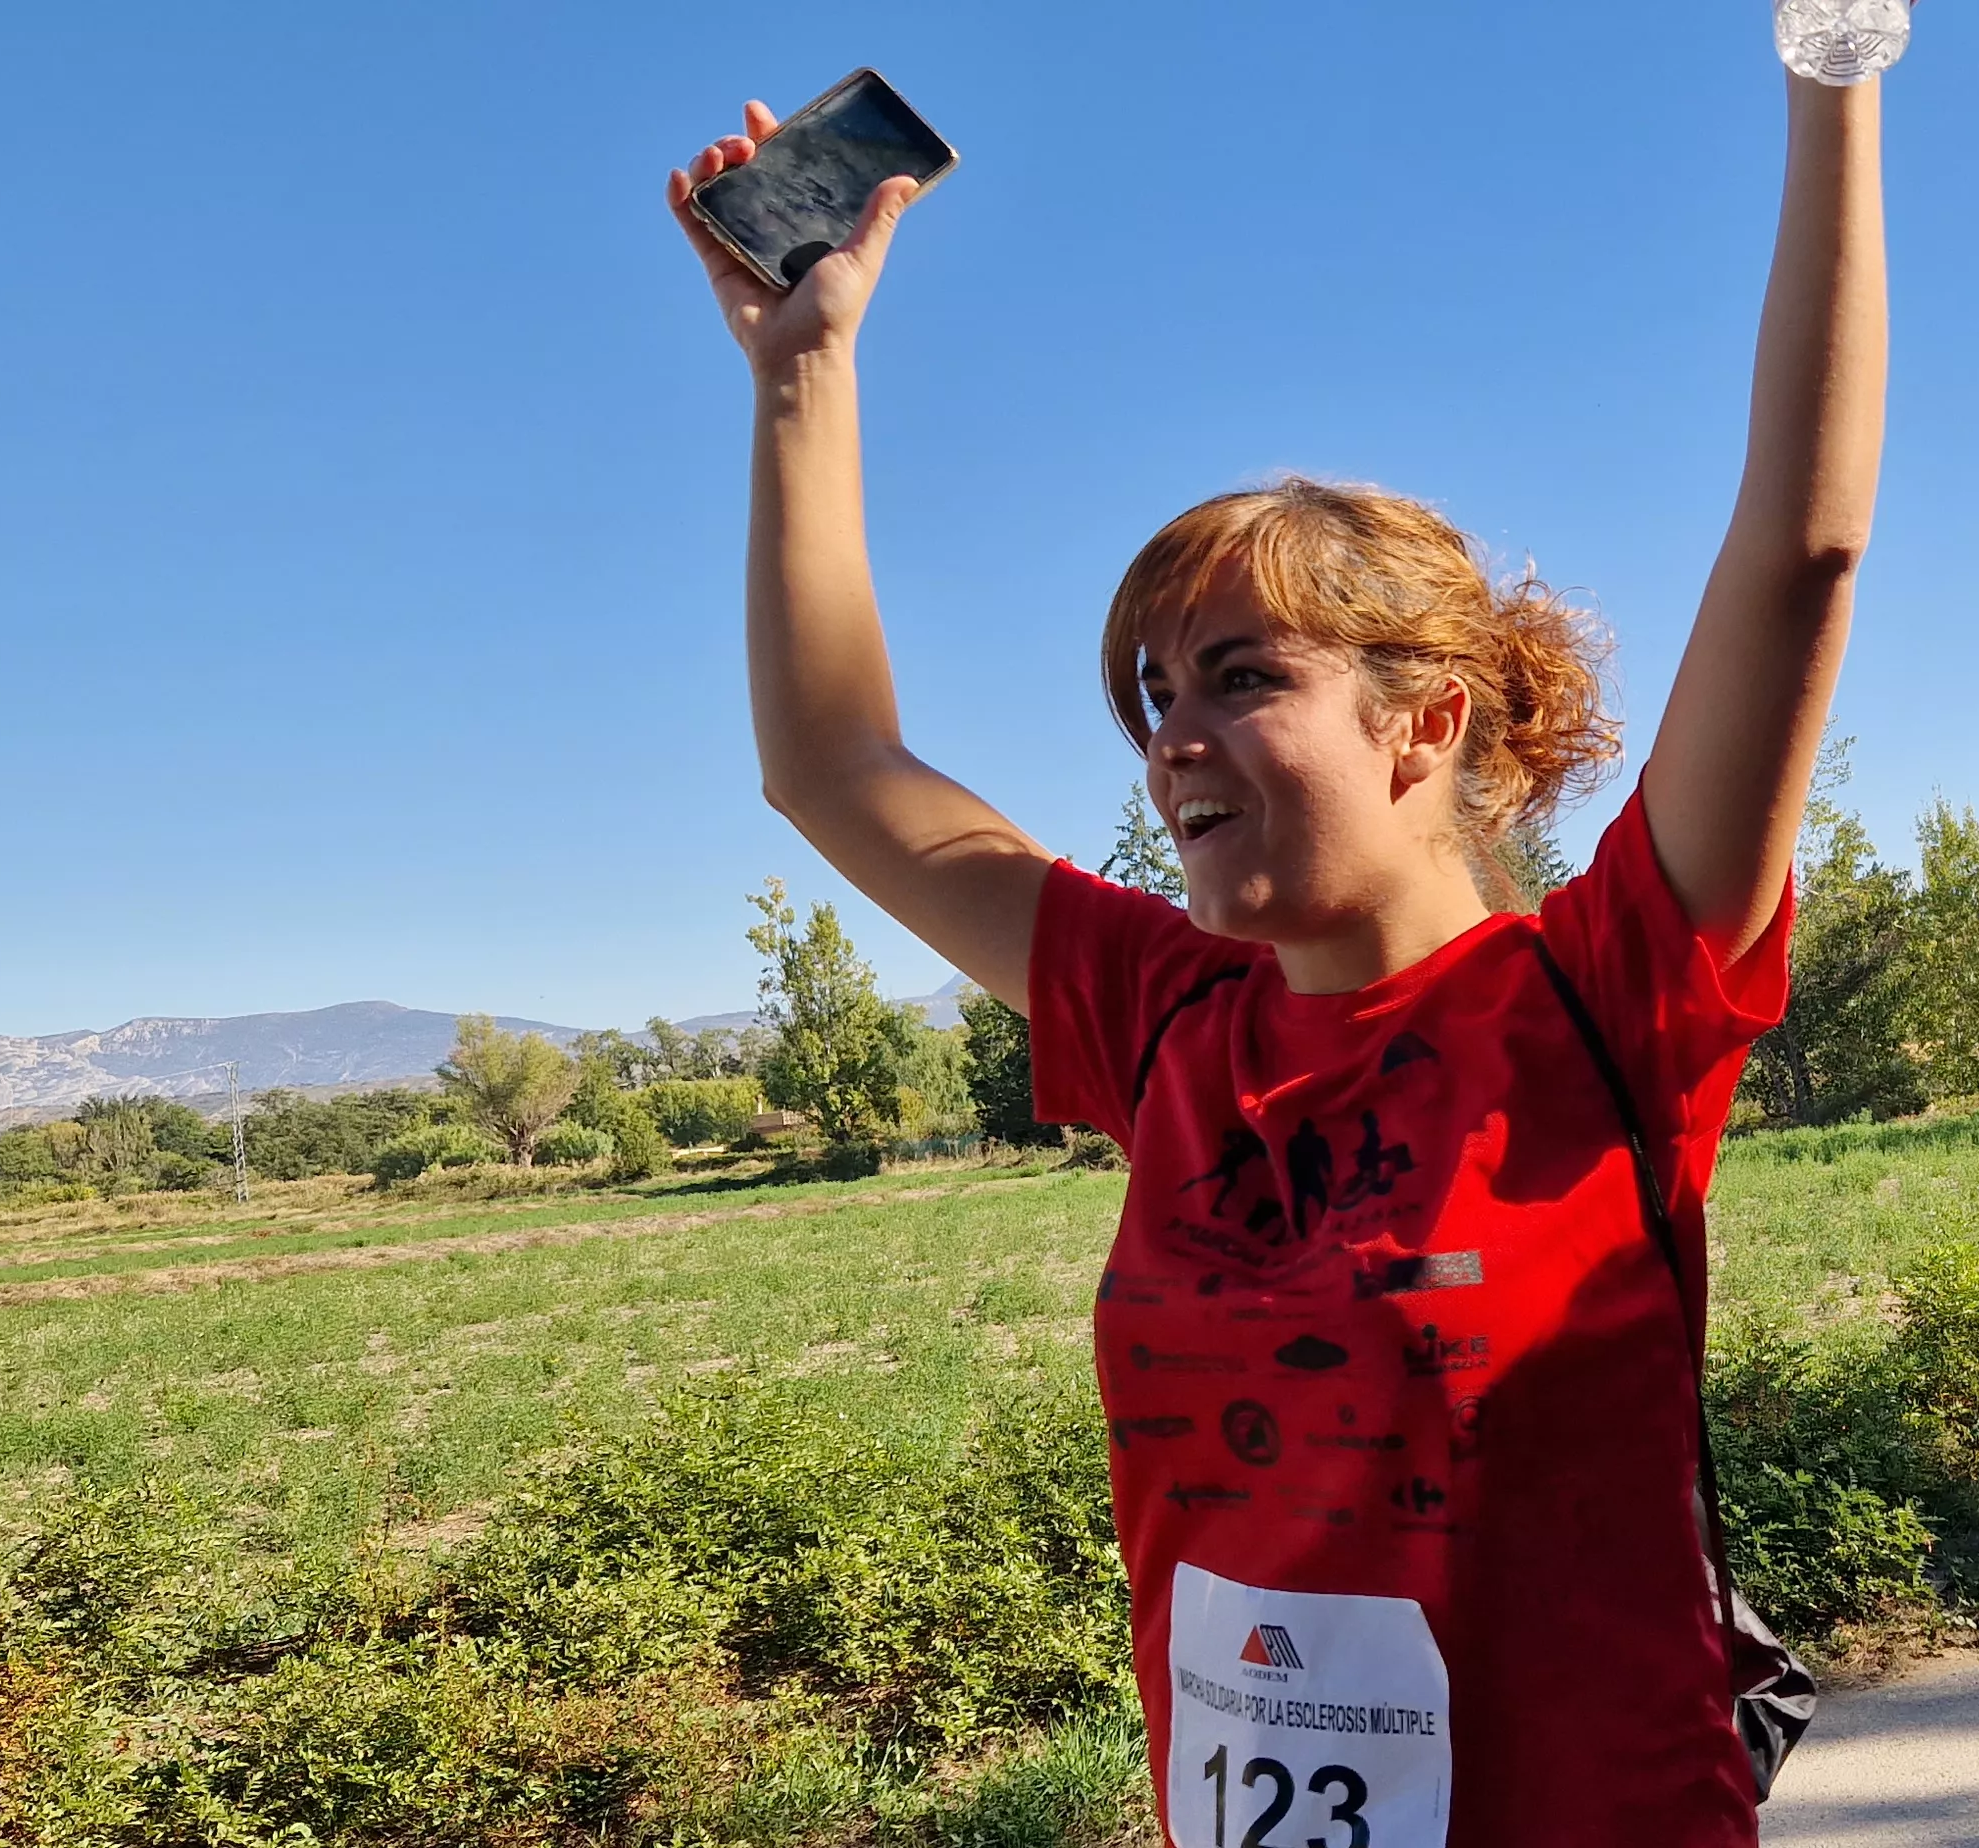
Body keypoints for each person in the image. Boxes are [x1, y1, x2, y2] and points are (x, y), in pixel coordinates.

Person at [660, 49, 1889, 1848]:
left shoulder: (1604, 989)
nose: (1170, 738)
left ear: (1427, 726)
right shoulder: (1163, 1014)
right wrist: (802, 371)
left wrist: (1834, 69)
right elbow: (833, 770)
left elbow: (1803, 546)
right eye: (1157, 695)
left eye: (1244, 680)